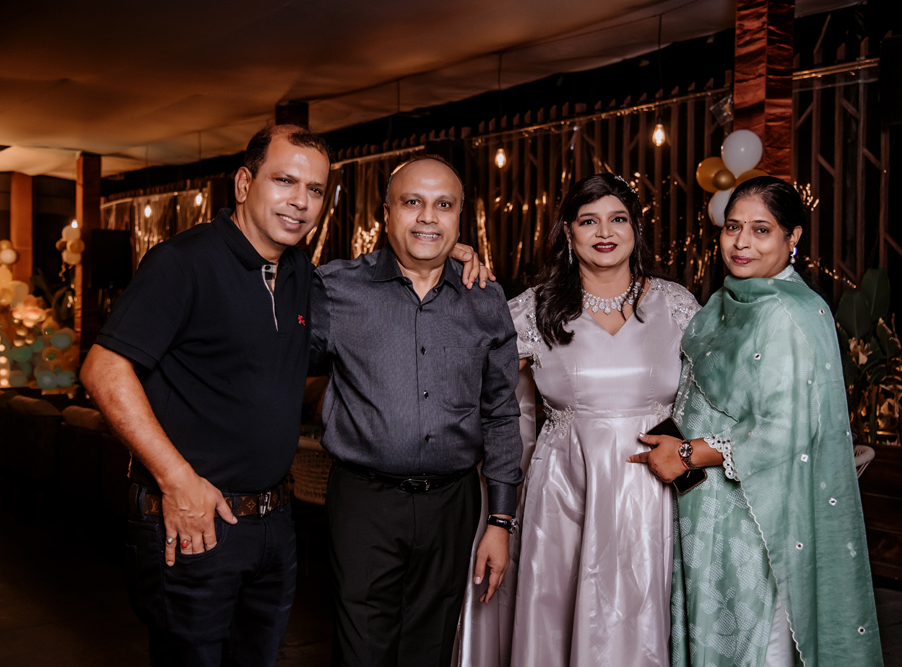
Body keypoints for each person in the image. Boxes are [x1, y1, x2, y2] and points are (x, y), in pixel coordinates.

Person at [80, 128, 488, 666]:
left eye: (314, 189)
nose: (300, 201)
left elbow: (389, 280)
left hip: (273, 523)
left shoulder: (299, 272)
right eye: (284, 181)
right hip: (194, 520)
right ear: (243, 183)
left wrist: (443, 250)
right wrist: (177, 480)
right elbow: (103, 370)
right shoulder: (184, 261)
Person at [630, 176, 883, 666]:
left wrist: (686, 454)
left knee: (755, 645)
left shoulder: (790, 312)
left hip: (755, 514)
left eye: (761, 230)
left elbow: (784, 431)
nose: (741, 242)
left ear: (793, 237)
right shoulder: (727, 302)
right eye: (733, 227)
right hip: (704, 506)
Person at [457, 173, 700, 667]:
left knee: (645, 623)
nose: (604, 232)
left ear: (635, 229)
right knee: (559, 618)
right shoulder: (535, 308)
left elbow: (714, 397)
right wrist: (449, 269)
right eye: (589, 221)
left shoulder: (676, 305)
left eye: (618, 219)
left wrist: (697, 455)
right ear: (568, 232)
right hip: (564, 494)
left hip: (655, 493)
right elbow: (470, 378)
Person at [309, 154, 523, 667]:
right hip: (363, 502)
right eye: (412, 202)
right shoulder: (334, 288)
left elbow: (500, 412)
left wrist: (501, 519)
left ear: (460, 218)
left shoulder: (485, 298)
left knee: (430, 650)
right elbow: (270, 346)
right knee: (362, 652)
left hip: (452, 505)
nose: (428, 216)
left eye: (443, 205)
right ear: (386, 213)